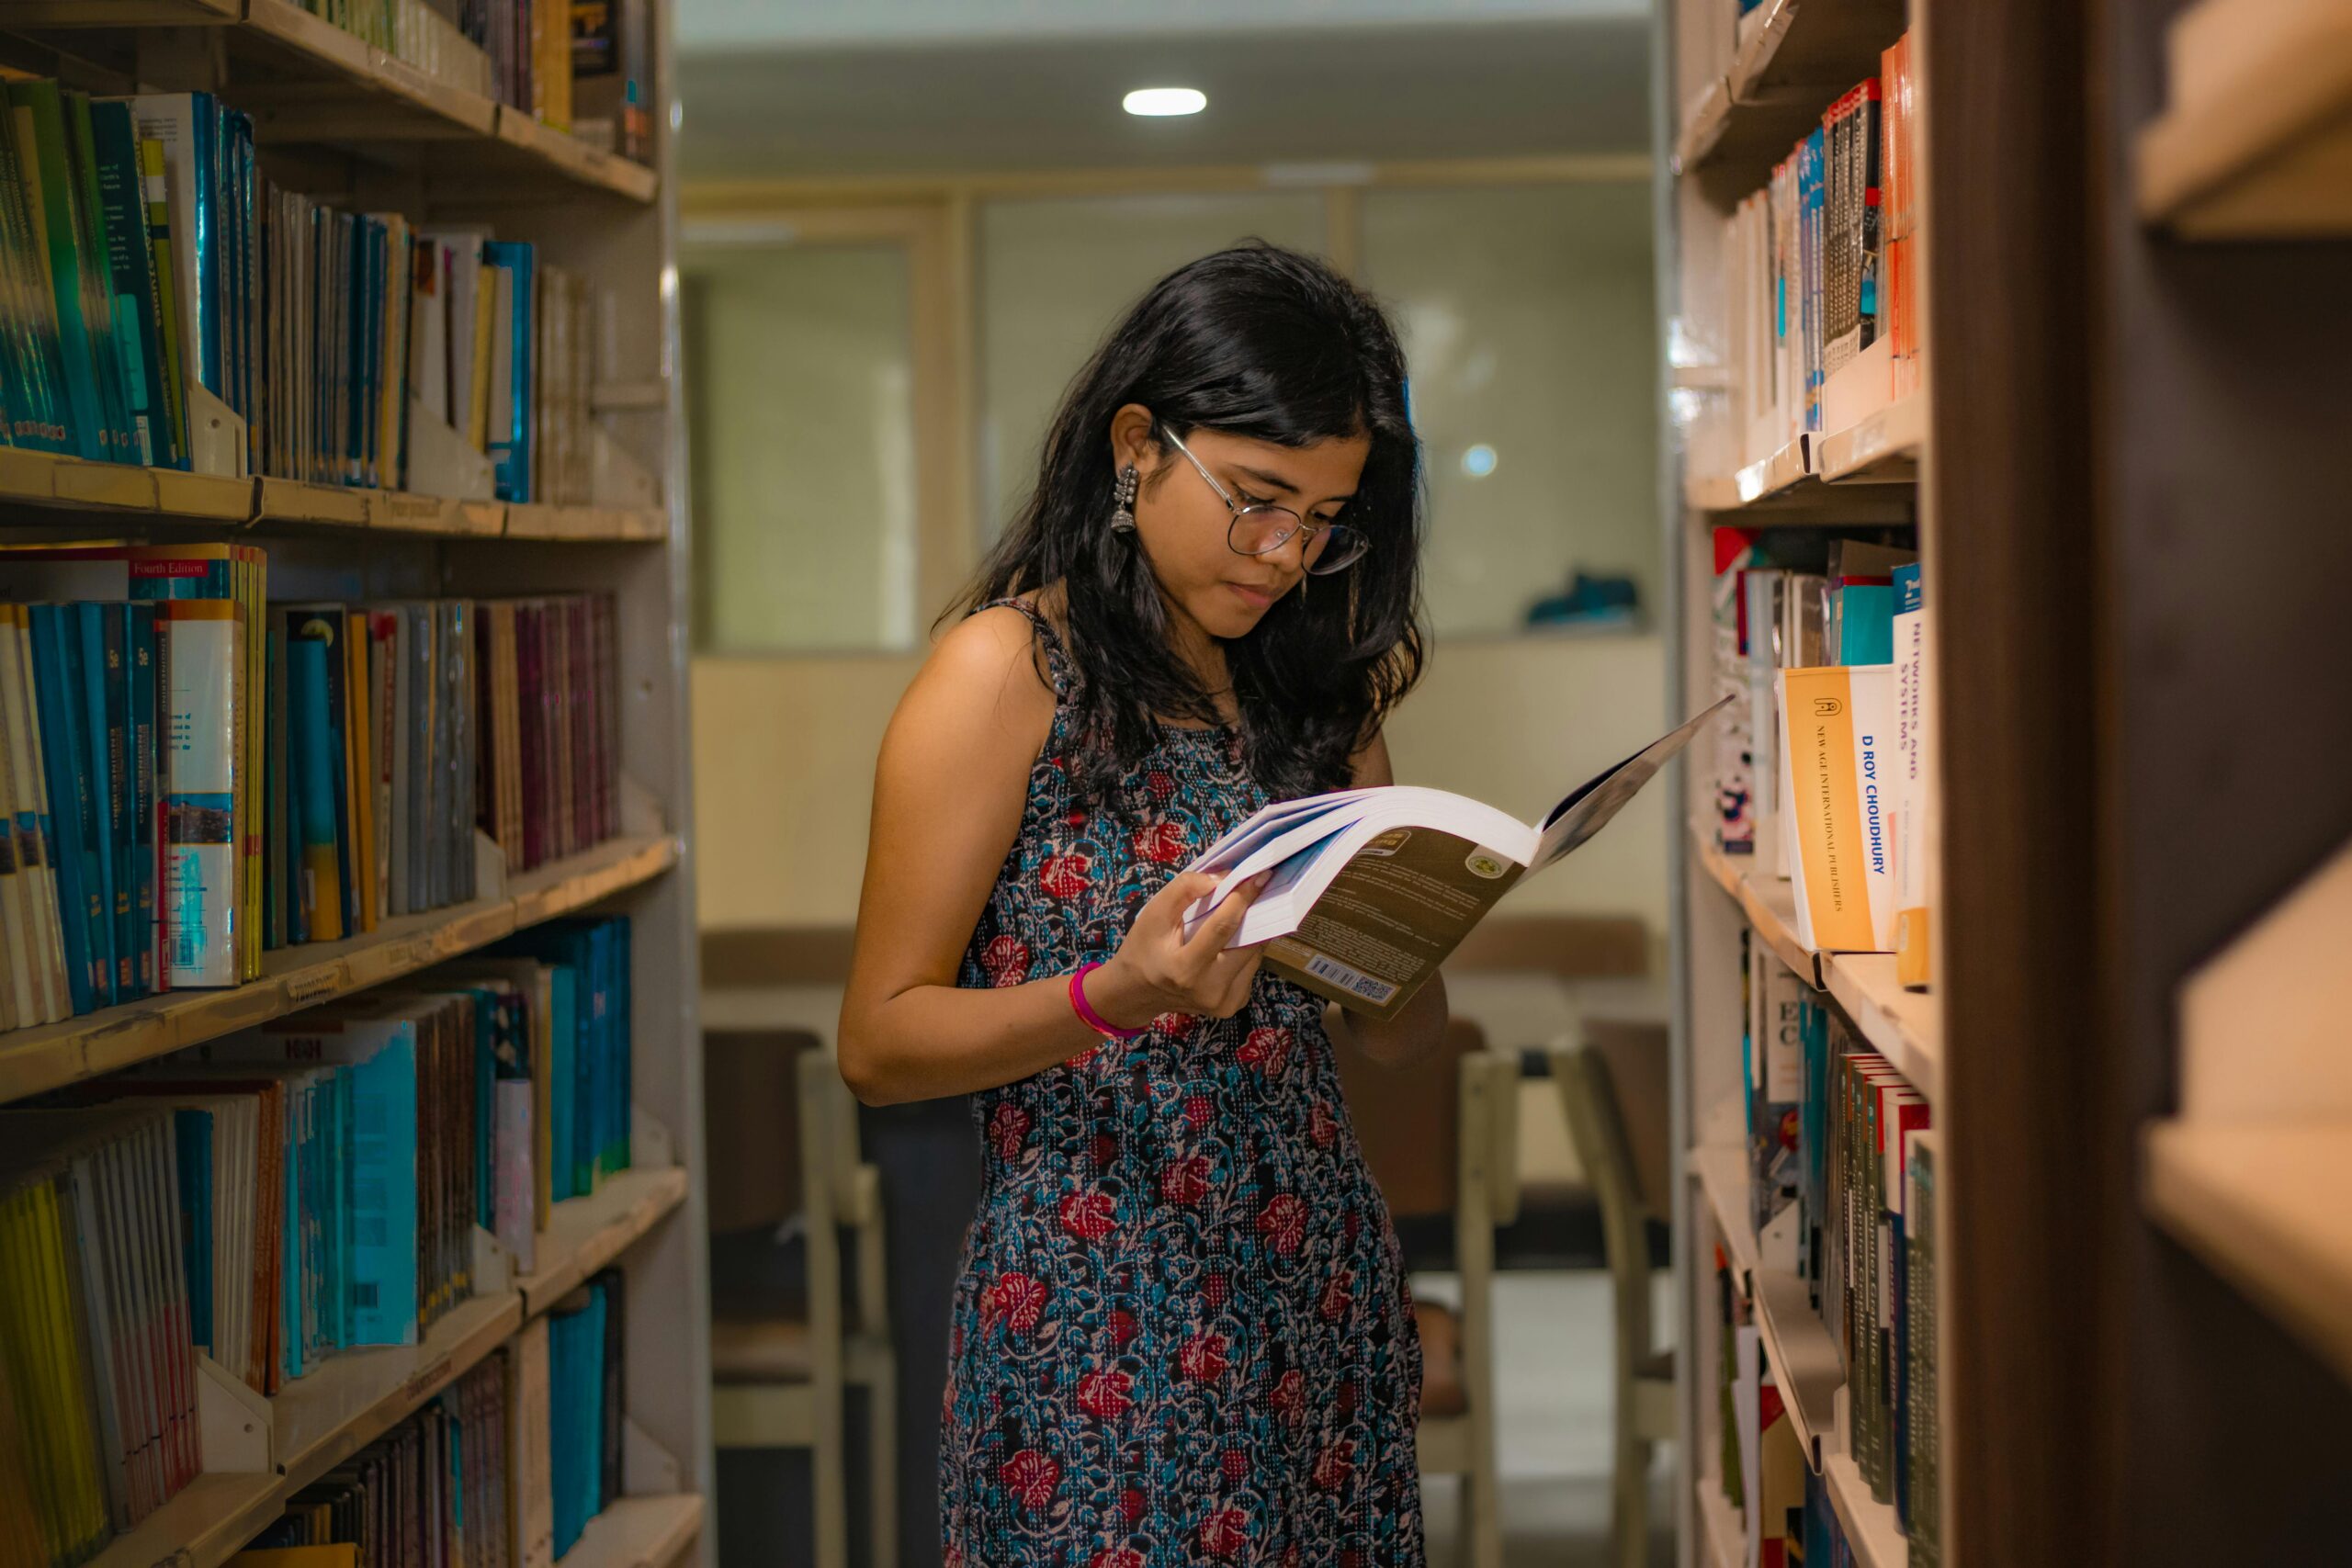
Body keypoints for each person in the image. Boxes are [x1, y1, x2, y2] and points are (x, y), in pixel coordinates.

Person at [839, 242, 1445, 1566]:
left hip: (1316, 1288)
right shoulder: (1008, 673)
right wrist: (1117, 997)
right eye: (1258, 500)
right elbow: (878, 1044)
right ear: (1139, 447)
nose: (1286, 553)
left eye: (1325, 519)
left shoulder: (1315, 698)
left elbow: (1400, 1033)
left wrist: (1411, 919)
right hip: (1099, 1311)